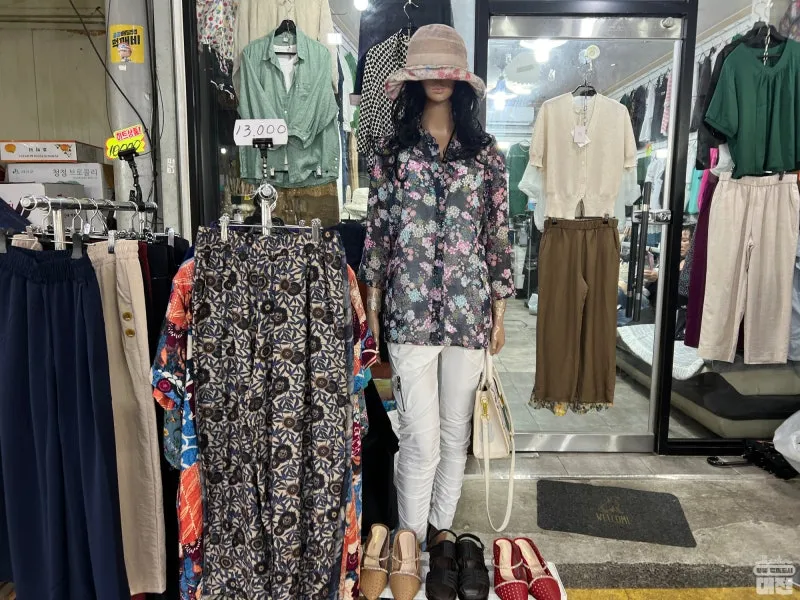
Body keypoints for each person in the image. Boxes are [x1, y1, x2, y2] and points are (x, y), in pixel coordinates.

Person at [359, 24, 514, 545]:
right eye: (430, 72)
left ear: (462, 82)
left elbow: (497, 234)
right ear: (413, 81)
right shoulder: (393, 153)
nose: (440, 81)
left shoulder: (487, 156)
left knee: (454, 436)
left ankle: (441, 538)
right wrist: (373, 305)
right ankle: (409, 544)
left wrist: (500, 309)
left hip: (469, 312)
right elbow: (378, 232)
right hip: (408, 312)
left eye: (449, 73)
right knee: (418, 439)